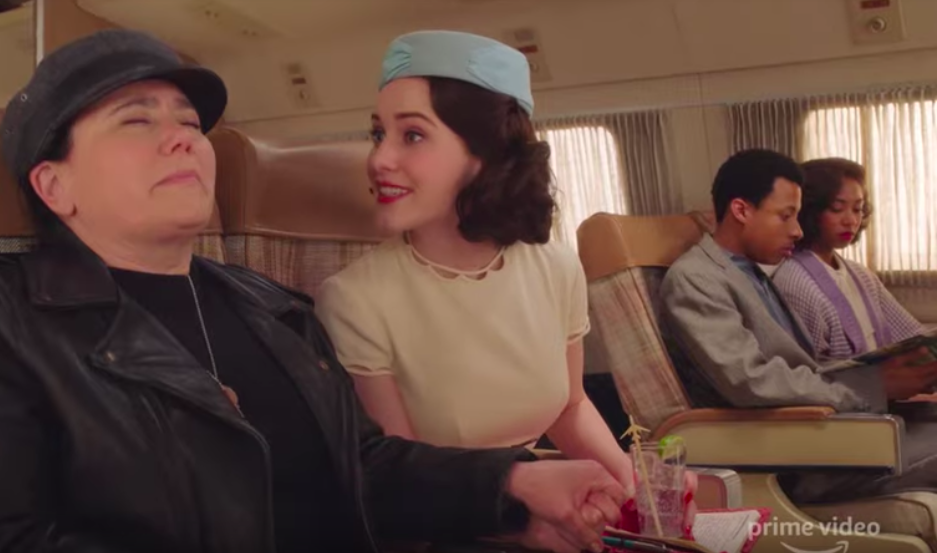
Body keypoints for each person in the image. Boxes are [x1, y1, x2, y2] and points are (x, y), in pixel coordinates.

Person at [0, 29, 627, 553]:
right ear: (55, 185)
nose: (183, 136)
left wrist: (513, 490)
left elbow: (364, 470)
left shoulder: (270, 307)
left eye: (189, 122)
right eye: (137, 120)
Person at [314, 29, 695, 530]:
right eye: (378, 134)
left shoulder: (556, 267)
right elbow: (408, 482)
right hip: (452, 525)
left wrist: (636, 491)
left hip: (535, 495)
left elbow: (569, 407)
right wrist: (526, 523)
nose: (379, 159)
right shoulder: (353, 300)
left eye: (412, 135)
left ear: (487, 154)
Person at [659, 148, 937, 507]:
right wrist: (870, 389)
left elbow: (802, 366)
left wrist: (880, 378)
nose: (797, 230)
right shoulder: (696, 279)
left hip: (812, 431)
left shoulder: (749, 271)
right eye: (785, 216)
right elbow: (751, 381)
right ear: (741, 210)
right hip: (789, 452)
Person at [772, 157, 924, 362]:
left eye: (857, 209)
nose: (851, 220)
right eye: (837, 208)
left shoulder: (861, 274)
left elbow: (911, 335)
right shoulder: (793, 282)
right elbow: (809, 369)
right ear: (809, 210)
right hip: (853, 383)